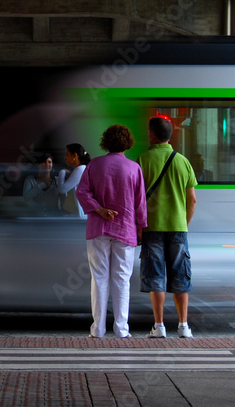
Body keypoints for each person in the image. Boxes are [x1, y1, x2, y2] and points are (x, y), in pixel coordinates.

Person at [75, 125, 147, 339]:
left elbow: (81, 192)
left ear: (105, 142)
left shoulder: (94, 165)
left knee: (99, 278)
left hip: (98, 229)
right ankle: (121, 329)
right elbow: (140, 204)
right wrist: (141, 228)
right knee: (122, 279)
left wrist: (99, 209)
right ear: (128, 143)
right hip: (126, 230)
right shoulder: (134, 168)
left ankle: (97, 328)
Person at [138, 115, 198, 339]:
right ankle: (183, 326)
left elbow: (137, 200)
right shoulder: (183, 161)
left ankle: (159, 326)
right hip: (178, 228)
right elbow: (192, 200)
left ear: (152, 134)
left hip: (151, 228)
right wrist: (183, 224)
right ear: (169, 135)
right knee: (181, 277)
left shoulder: (142, 160)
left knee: (156, 277)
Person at [57, 143, 90, 218]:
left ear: (75, 155)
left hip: (76, 214)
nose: (65, 158)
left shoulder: (80, 169)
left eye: (67, 154)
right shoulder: (81, 169)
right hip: (74, 213)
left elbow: (62, 190)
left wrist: (62, 172)